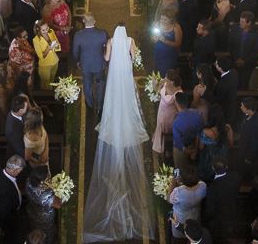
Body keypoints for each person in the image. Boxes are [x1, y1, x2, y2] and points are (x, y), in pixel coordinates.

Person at [82, 25, 151, 242]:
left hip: (114, 71)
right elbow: (134, 57)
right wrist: (129, 56)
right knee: (127, 93)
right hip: (125, 69)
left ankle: (112, 114)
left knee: (113, 94)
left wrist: (106, 49)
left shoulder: (111, 41)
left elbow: (107, 58)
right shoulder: (130, 40)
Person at [73, 14, 109, 112]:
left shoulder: (78, 35)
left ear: (83, 21)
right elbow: (109, 47)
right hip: (99, 63)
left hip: (86, 64)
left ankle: (89, 103)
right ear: (94, 21)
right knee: (100, 82)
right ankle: (99, 106)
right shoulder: (103, 33)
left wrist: (78, 61)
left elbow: (75, 51)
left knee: (87, 84)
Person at [202, 154, 242, 240]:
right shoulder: (235, 176)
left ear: (213, 168)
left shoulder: (212, 188)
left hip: (219, 223)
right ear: (226, 167)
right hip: (233, 214)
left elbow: (210, 211)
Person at [168, 164, 207, 241]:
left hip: (181, 219)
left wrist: (172, 184)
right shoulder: (203, 186)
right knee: (194, 233)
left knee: (180, 239)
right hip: (196, 216)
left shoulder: (178, 191)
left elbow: (169, 200)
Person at [0, 155, 26, 242]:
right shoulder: (6, 190)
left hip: (6, 207)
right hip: (9, 217)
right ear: (15, 171)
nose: (19, 173)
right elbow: (4, 212)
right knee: (11, 237)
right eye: (19, 171)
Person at [152, 69, 181, 167]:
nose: (165, 79)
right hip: (161, 112)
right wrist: (154, 81)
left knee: (166, 130)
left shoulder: (179, 92)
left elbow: (179, 108)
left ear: (172, 82)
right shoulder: (165, 81)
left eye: (167, 78)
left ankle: (166, 149)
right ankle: (160, 146)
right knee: (159, 126)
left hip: (170, 116)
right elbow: (156, 87)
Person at [197, 106, 232, 183]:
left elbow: (201, 147)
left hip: (209, 160)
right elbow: (231, 143)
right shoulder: (227, 128)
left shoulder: (205, 132)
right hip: (222, 157)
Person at [170, 92, 203, 172]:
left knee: (180, 171)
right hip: (193, 144)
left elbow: (178, 144)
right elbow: (198, 132)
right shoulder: (195, 113)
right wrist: (195, 149)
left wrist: (190, 152)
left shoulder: (176, 123)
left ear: (177, 105)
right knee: (193, 170)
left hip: (182, 151)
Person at [234, 11, 258, 90]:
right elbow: (231, 44)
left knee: (244, 81)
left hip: (248, 62)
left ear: (249, 23)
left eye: (243, 22)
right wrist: (236, 58)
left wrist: (244, 60)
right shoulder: (235, 28)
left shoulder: (257, 32)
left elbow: (257, 49)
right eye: (240, 20)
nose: (240, 23)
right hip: (235, 60)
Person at [238, 97, 258, 175]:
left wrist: (248, 157)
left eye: (243, 107)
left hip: (250, 153)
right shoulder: (246, 115)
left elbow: (254, 142)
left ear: (249, 110)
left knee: (248, 172)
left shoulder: (256, 123)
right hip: (244, 148)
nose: (241, 108)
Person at [152, 10, 182, 76]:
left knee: (167, 73)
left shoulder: (176, 27)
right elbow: (152, 39)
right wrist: (155, 39)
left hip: (170, 54)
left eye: (165, 20)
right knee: (158, 71)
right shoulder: (157, 24)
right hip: (159, 53)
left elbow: (178, 43)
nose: (162, 21)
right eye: (161, 19)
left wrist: (165, 41)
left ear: (170, 19)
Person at [33, 20, 60, 89]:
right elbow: (41, 57)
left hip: (55, 61)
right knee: (45, 85)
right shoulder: (36, 40)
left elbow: (58, 47)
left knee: (52, 82)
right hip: (45, 65)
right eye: (43, 30)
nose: (46, 31)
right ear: (38, 30)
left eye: (47, 28)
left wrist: (56, 46)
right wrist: (48, 49)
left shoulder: (51, 32)